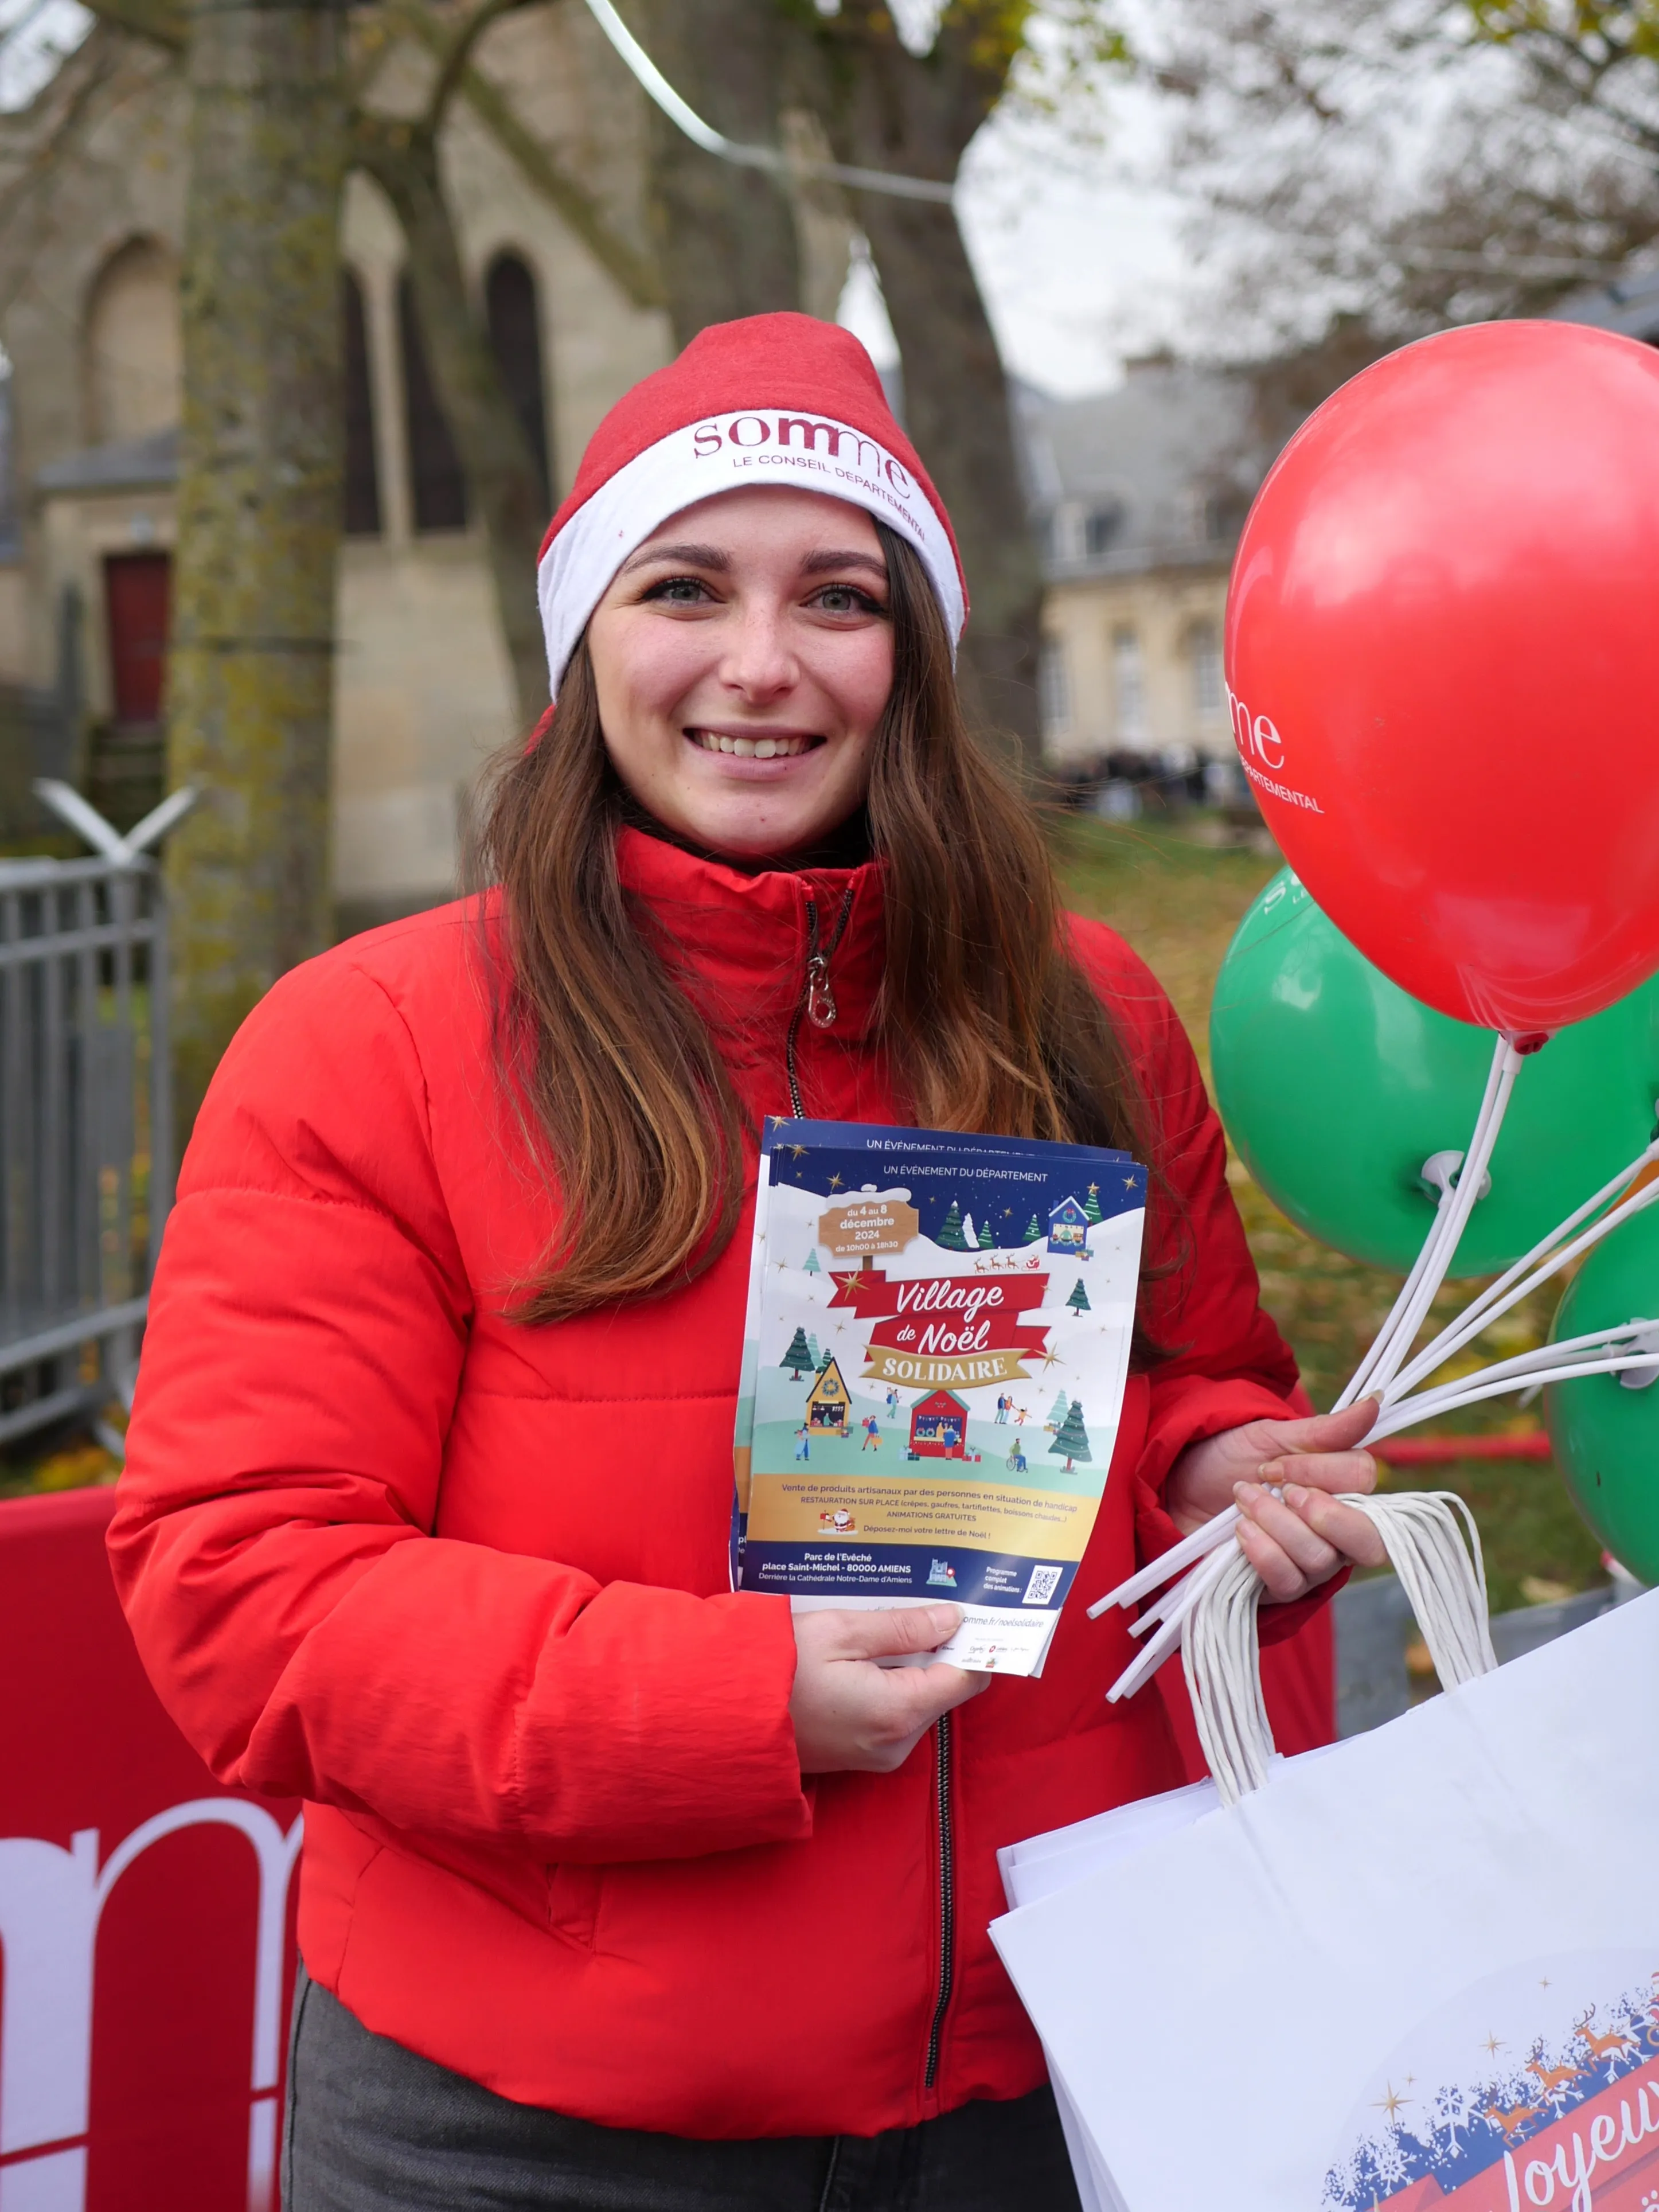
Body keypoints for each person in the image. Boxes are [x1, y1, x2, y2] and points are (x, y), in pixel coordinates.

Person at [108, 313, 1384, 2212]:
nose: (760, 666)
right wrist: (722, 1703)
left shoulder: (1081, 1006)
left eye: (838, 598)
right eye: (684, 587)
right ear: (583, 641)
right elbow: (243, 1586)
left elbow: (1189, 1387)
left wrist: (1210, 1475)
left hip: (1056, 2075)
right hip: (532, 2141)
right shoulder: (367, 1041)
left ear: (916, 657)